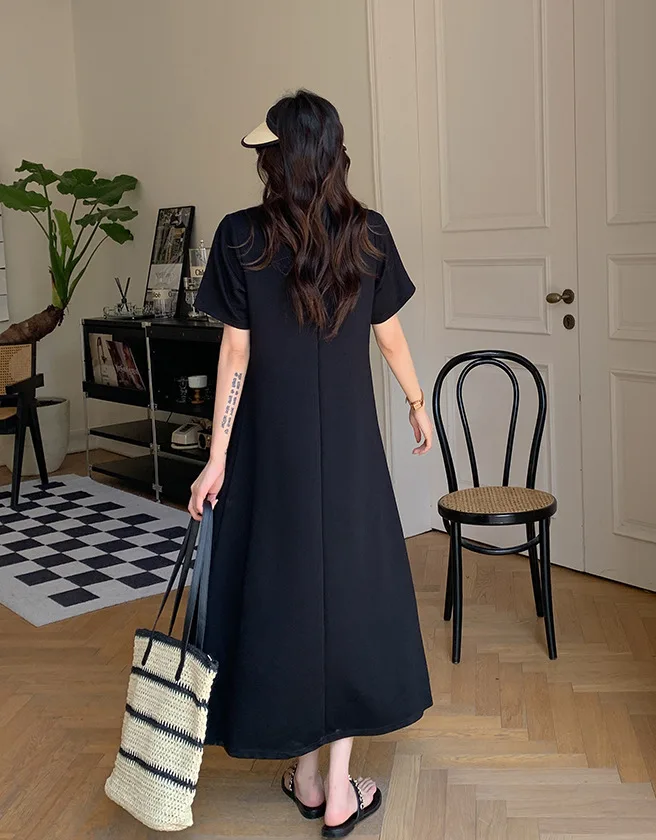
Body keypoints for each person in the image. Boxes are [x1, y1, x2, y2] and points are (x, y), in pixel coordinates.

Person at [189, 90, 433, 837]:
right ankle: (335, 788)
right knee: (348, 597)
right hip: (351, 451)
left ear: (277, 158)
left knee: (285, 595)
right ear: (333, 154)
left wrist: (216, 456)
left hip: (271, 451)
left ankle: (304, 771)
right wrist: (417, 403)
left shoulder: (239, 236)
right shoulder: (368, 232)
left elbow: (236, 354)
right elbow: (390, 335)